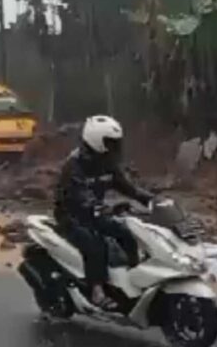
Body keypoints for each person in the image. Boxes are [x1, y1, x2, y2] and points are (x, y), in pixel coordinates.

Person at [53, 115, 154, 306]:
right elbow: (80, 194)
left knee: (127, 234)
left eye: (117, 143)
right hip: (71, 215)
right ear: (96, 141)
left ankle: (134, 280)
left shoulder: (107, 162)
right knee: (96, 244)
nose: (115, 147)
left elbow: (125, 186)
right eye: (111, 143)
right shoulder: (74, 165)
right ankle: (96, 290)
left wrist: (148, 198)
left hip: (95, 213)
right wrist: (97, 207)